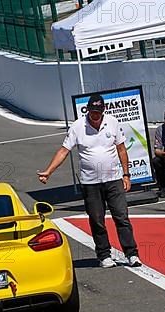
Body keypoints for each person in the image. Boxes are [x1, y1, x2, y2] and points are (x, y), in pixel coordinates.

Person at [37, 94, 141, 268]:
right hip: (90, 182)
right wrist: (48, 171)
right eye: (92, 111)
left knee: (122, 217)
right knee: (96, 219)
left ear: (103, 110)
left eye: (98, 112)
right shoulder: (78, 126)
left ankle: (132, 254)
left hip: (114, 179)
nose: (95, 115)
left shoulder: (113, 122)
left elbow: (122, 149)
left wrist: (126, 174)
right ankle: (104, 255)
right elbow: (64, 151)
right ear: (88, 110)